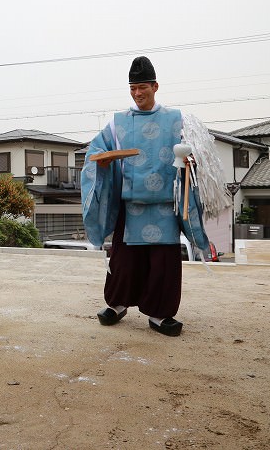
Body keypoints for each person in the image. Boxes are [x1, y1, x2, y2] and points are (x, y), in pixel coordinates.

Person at [80, 56, 202, 337]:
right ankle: (118, 304)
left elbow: (195, 151)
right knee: (124, 261)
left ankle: (160, 314)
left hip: (164, 206)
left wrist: (191, 162)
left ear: (155, 86)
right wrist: (100, 163)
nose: (138, 93)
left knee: (163, 263)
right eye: (133, 88)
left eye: (143, 87)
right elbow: (94, 152)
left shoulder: (176, 120)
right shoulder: (118, 123)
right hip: (130, 204)